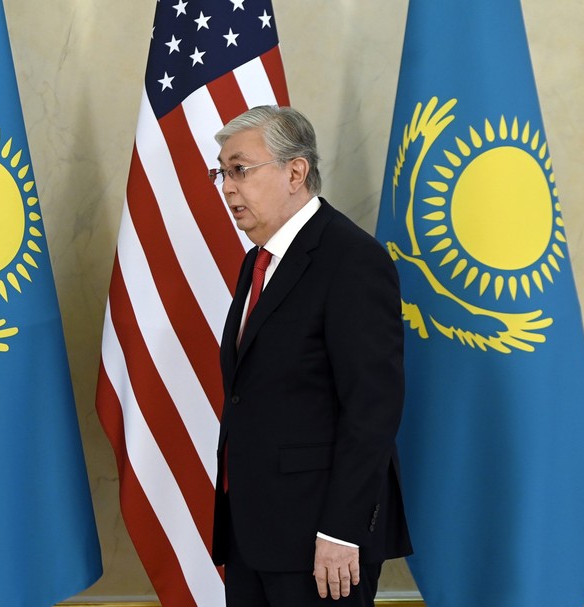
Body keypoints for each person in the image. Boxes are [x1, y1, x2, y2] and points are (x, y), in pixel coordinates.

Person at [210, 105, 412, 606]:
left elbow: (373, 408)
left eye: (239, 169)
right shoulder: (257, 262)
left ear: (295, 171)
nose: (227, 187)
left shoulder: (351, 260)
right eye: (221, 172)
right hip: (254, 534)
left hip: (322, 543)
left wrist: (343, 531)